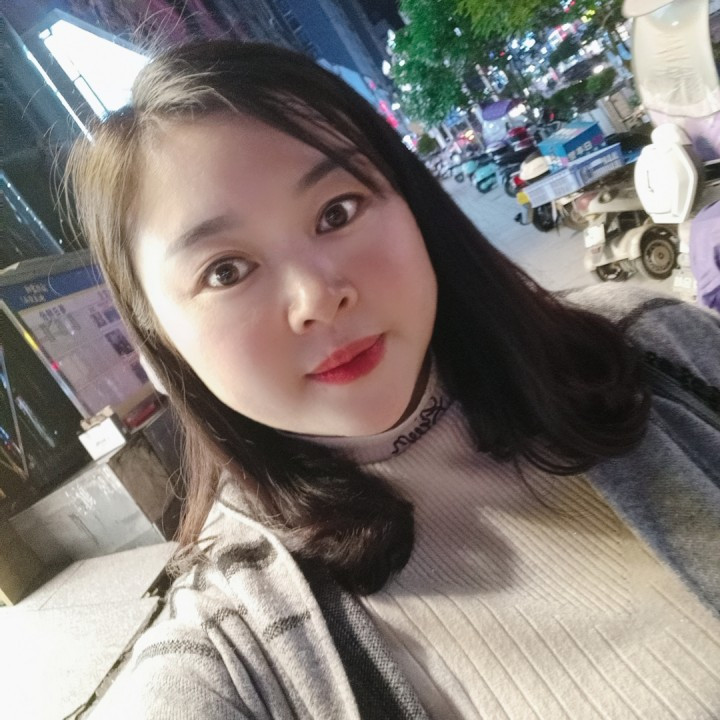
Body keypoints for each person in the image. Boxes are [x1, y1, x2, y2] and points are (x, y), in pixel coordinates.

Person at [66, 41, 720, 720]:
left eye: (337, 212)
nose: (318, 298)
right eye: (225, 271)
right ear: (159, 344)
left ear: (410, 202)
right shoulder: (234, 635)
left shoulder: (652, 350)